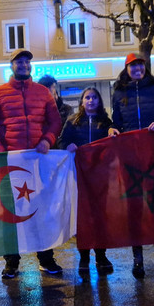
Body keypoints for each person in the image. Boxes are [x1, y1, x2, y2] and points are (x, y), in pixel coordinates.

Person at [0, 50, 64, 278]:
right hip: (11, 165)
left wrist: (48, 140)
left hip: (37, 163)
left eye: (28, 61)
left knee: (40, 210)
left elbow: (55, 122)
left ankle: (46, 259)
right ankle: (11, 262)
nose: (24, 65)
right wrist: (2, 154)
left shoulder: (42, 93)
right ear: (12, 65)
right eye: (19, 61)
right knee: (11, 214)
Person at [108, 53, 154, 277]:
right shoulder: (119, 90)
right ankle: (137, 258)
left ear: (145, 67)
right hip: (130, 155)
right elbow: (116, 121)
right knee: (135, 207)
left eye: (140, 65)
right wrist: (112, 128)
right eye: (133, 66)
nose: (137, 69)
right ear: (126, 68)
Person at [59, 87, 114, 275]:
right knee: (82, 218)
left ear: (99, 101)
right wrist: (68, 145)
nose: (90, 100)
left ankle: (101, 255)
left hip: (100, 177)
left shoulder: (106, 122)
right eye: (87, 97)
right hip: (79, 176)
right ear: (82, 102)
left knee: (100, 217)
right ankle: (83, 256)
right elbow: (61, 142)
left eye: (94, 97)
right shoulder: (72, 122)